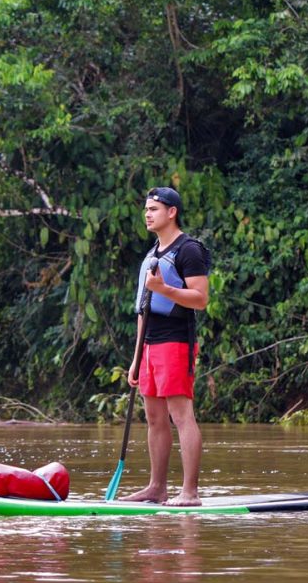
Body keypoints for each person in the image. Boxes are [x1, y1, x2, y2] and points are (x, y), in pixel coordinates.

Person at [123, 186, 210, 507]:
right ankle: (157, 488)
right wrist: (135, 359)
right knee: (155, 419)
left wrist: (164, 288)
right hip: (148, 346)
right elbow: (143, 310)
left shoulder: (189, 250)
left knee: (180, 414)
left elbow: (200, 299)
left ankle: (190, 492)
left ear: (171, 212)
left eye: (154, 209)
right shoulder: (152, 254)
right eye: (146, 209)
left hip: (176, 341)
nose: (147, 214)